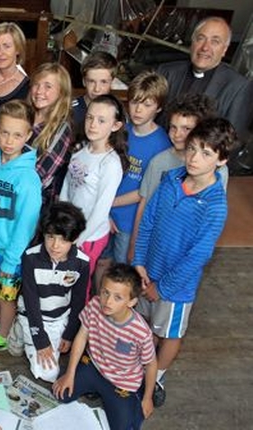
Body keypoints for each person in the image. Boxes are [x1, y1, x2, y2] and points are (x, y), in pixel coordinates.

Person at [133, 117, 234, 407]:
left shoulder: (215, 204)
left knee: (169, 333)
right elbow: (149, 220)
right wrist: (139, 260)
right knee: (146, 325)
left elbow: (199, 255)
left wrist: (163, 287)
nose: (194, 158)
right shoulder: (171, 179)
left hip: (175, 287)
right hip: (147, 271)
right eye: (191, 149)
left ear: (221, 159)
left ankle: (157, 376)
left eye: (206, 153)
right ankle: (139, 367)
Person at [0, 100, 42, 356]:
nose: (9, 141)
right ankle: (2, 320)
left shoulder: (28, 178)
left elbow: (26, 226)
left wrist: (11, 261)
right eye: (4, 132)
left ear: (28, 135)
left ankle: (2, 334)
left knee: (7, 295)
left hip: (10, 252)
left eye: (17, 135)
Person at [53, 263, 157, 430]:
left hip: (122, 382)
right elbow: (81, 336)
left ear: (132, 302)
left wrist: (148, 397)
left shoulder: (141, 332)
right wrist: (70, 374)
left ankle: (138, 394)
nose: (107, 301)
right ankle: (93, 388)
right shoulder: (95, 304)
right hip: (94, 366)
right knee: (61, 393)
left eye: (118, 297)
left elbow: (151, 364)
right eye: (105, 292)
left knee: (125, 426)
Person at [128, 93, 225, 262]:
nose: (177, 134)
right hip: (154, 246)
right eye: (173, 127)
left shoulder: (218, 169)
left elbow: (210, 224)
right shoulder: (159, 162)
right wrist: (133, 246)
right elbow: (144, 206)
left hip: (186, 252)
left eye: (186, 129)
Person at [8, 202, 89, 382]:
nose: (55, 246)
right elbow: (31, 300)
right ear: (43, 234)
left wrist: (69, 334)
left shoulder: (82, 263)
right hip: (32, 315)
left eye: (63, 239)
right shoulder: (30, 257)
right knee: (47, 372)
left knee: (51, 374)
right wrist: (41, 340)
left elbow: (78, 301)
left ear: (74, 239)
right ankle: (21, 326)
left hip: (59, 318)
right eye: (50, 237)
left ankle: (32, 338)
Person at [100, 71, 170, 273]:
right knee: (102, 262)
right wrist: (104, 210)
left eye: (147, 105)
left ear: (159, 107)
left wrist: (107, 203)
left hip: (130, 221)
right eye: (134, 102)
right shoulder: (121, 131)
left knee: (123, 270)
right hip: (105, 213)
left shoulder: (162, 144)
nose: (138, 110)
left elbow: (144, 191)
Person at [157, 17, 252, 164]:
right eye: (201, 38)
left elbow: (233, 141)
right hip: (159, 158)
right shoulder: (167, 72)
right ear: (193, 42)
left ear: (224, 50)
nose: (205, 48)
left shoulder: (238, 87)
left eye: (215, 41)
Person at [59, 94, 127, 301]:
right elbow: (66, 188)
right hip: (69, 229)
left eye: (101, 120)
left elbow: (101, 210)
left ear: (115, 126)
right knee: (64, 279)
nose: (93, 124)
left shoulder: (110, 163)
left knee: (79, 281)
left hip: (89, 235)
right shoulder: (80, 150)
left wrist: (78, 240)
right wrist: (60, 223)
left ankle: (80, 325)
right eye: (89, 118)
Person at [28, 63, 74, 214]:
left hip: (33, 204)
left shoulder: (61, 129)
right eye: (36, 84)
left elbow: (40, 175)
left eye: (48, 86)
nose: (40, 91)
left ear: (61, 92)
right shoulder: (23, 114)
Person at [71, 51, 118, 143]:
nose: (97, 89)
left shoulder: (119, 113)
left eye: (103, 82)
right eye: (92, 81)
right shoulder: (70, 111)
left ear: (112, 82)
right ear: (84, 81)